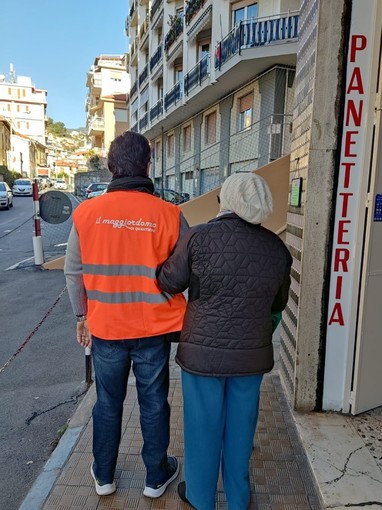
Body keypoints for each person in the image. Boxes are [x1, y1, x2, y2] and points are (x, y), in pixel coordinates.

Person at [64, 131, 189, 498]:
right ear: (148, 165)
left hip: (106, 330)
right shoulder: (170, 214)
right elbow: (184, 272)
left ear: (111, 166)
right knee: (153, 402)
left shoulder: (86, 213)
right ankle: (155, 477)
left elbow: (74, 273)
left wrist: (81, 316)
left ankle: (104, 475)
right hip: (154, 330)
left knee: (107, 402)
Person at [157, 172, 292, 510]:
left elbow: (170, 281)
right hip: (250, 358)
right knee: (241, 432)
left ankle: (202, 499)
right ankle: (237, 499)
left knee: (203, 430)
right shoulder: (276, 248)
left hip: (202, 357)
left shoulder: (199, 238)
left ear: (227, 200)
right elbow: (278, 303)